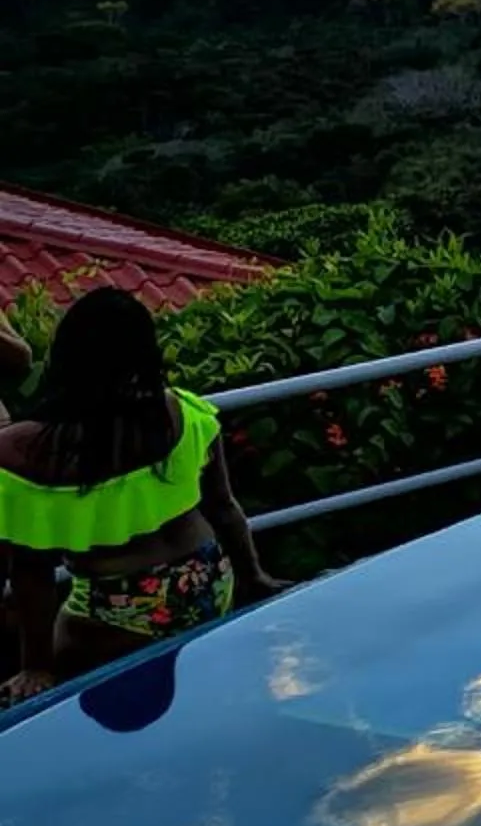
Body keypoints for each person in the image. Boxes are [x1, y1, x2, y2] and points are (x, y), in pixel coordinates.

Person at [0, 288, 282, 705]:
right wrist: (255, 578)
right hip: (207, 579)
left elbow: (32, 572)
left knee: (70, 695)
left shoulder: (24, 450)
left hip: (119, 606)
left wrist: (36, 666)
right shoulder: (183, 411)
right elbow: (223, 508)